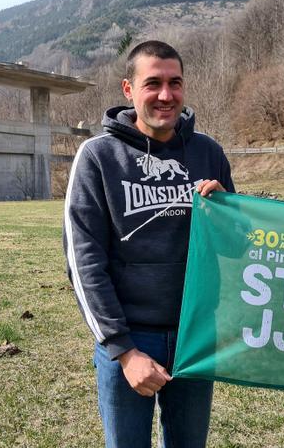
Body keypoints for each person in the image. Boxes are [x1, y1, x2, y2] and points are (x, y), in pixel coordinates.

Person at [63, 40, 234, 448]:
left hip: (194, 338)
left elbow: (235, 249)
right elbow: (84, 262)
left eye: (175, 83)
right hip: (131, 338)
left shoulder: (208, 152)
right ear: (128, 89)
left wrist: (228, 213)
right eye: (153, 83)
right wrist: (123, 350)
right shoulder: (97, 156)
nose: (165, 95)